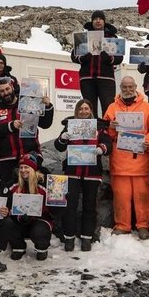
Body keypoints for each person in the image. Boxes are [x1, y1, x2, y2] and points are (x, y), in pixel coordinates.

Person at [103, 77, 149, 239]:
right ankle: (122, 225)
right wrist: (110, 128)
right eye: (124, 87)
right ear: (120, 88)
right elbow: (104, 134)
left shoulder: (147, 107)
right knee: (121, 196)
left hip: (140, 161)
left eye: (130, 87)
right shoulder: (112, 108)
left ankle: (143, 225)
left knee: (142, 196)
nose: (127, 90)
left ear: (135, 87)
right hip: (119, 162)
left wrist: (148, 141)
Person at [53, 99, 111, 251]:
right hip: (72, 172)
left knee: (90, 206)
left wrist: (101, 148)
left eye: (86, 108)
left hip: (92, 173)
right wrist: (62, 138)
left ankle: (87, 237)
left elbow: (108, 144)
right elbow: (58, 147)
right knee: (69, 206)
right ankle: (69, 238)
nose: (83, 111)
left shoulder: (99, 127)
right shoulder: (69, 125)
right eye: (80, 109)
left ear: (91, 110)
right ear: (76, 111)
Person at [0, 79, 54, 189]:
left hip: (30, 155)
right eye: (2, 91)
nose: (6, 92)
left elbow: (45, 124)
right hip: (6, 159)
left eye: (7, 89)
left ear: (12, 88)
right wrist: (10, 126)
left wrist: (47, 106)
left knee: (33, 189)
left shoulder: (28, 104)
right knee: (9, 191)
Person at [72, 10, 123, 117]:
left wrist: (109, 58)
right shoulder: (83, 37)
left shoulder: (112, 38)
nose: (98, 21)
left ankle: (107, 128)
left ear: (104, 21)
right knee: (89, 109)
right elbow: (74, 56)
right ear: (92, 21)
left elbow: (119, 58)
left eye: (100, 19)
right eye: (95, 19)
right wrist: (84, 58)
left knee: (108, 108)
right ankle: (91, 128)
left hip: (106, 78)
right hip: (87, 79)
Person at [7, 154, 54, 261]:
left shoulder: (45, 185)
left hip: (40, 219)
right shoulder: (13, 185)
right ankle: (18, 246)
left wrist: (61, 200)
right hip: (20, 220)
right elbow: (7, 205)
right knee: (7, 224)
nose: (23, 170)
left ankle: (42, 248)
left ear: (33, 169)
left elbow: (52, 209)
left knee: (40, 231)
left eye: (26, 167)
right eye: (21, 167)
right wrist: (17, 215)